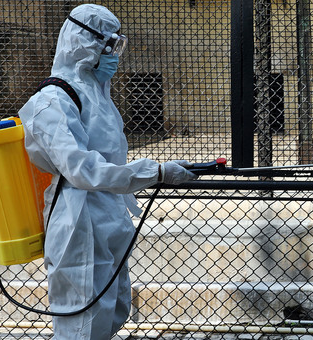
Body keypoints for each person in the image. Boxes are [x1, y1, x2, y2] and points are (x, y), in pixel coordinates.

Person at [18, 4, 197, 339]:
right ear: (85, 43)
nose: (114, 54)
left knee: (112, 313)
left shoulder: (97, 95)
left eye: (118, 44)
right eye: (109, 45)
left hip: (109, 216)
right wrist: (155, 171)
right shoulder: (52, 101)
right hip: (79, 223)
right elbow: (83, 170)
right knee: (81, 325)